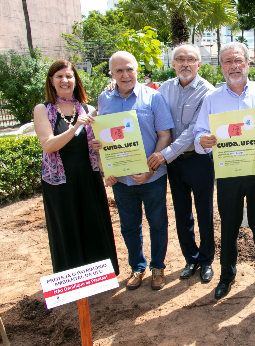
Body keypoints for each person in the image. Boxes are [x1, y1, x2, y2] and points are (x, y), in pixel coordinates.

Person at [193, 42, 255, 300]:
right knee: (229, 223)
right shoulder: (212, 98)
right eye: (227, 62)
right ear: (221, 66)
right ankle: (226, 275)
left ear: (247, 63)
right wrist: (203, 140)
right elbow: (199, 132)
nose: (233, 66)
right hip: (228, 170)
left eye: (238, 61)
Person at [92, 51, 174, 291]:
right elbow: (102, 137)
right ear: (112, 73)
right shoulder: (104, 99)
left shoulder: (153, 98)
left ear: (137, 70)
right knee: (129, 226)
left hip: (152, 178)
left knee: (158, 224)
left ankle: (158, 267)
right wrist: (105, 166)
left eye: (129, 69)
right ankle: (137, 267)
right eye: (119, 70)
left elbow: (164, 135)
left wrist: (151, 168)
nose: (125, 74)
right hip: (121, 181)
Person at [34, 60, 119, 275]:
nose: (65, 80)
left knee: (93, 223)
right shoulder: (43, 110)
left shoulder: (88, 109)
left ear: (76, 80)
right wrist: (76, 127)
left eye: (69, 76)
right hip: (59, 182)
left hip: (88, 177)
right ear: (51, 81)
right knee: (67, 227)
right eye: (59, 76)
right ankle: (72, 278)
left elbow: (97, 149)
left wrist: (107, 170)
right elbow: (49, 144)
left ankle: (99, 275)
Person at [148, 44, 216, 282]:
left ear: (199, 64)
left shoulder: (208, 91)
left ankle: (206, 260)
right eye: (180, 59)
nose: (185, 64)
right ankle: (191, 258)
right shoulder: (163, 90)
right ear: (173, 64)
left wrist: (164, 154)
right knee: (182, 213)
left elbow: (193, 131)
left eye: (191, 59)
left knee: (204, 212)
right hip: (173, 164)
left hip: (198, 160)